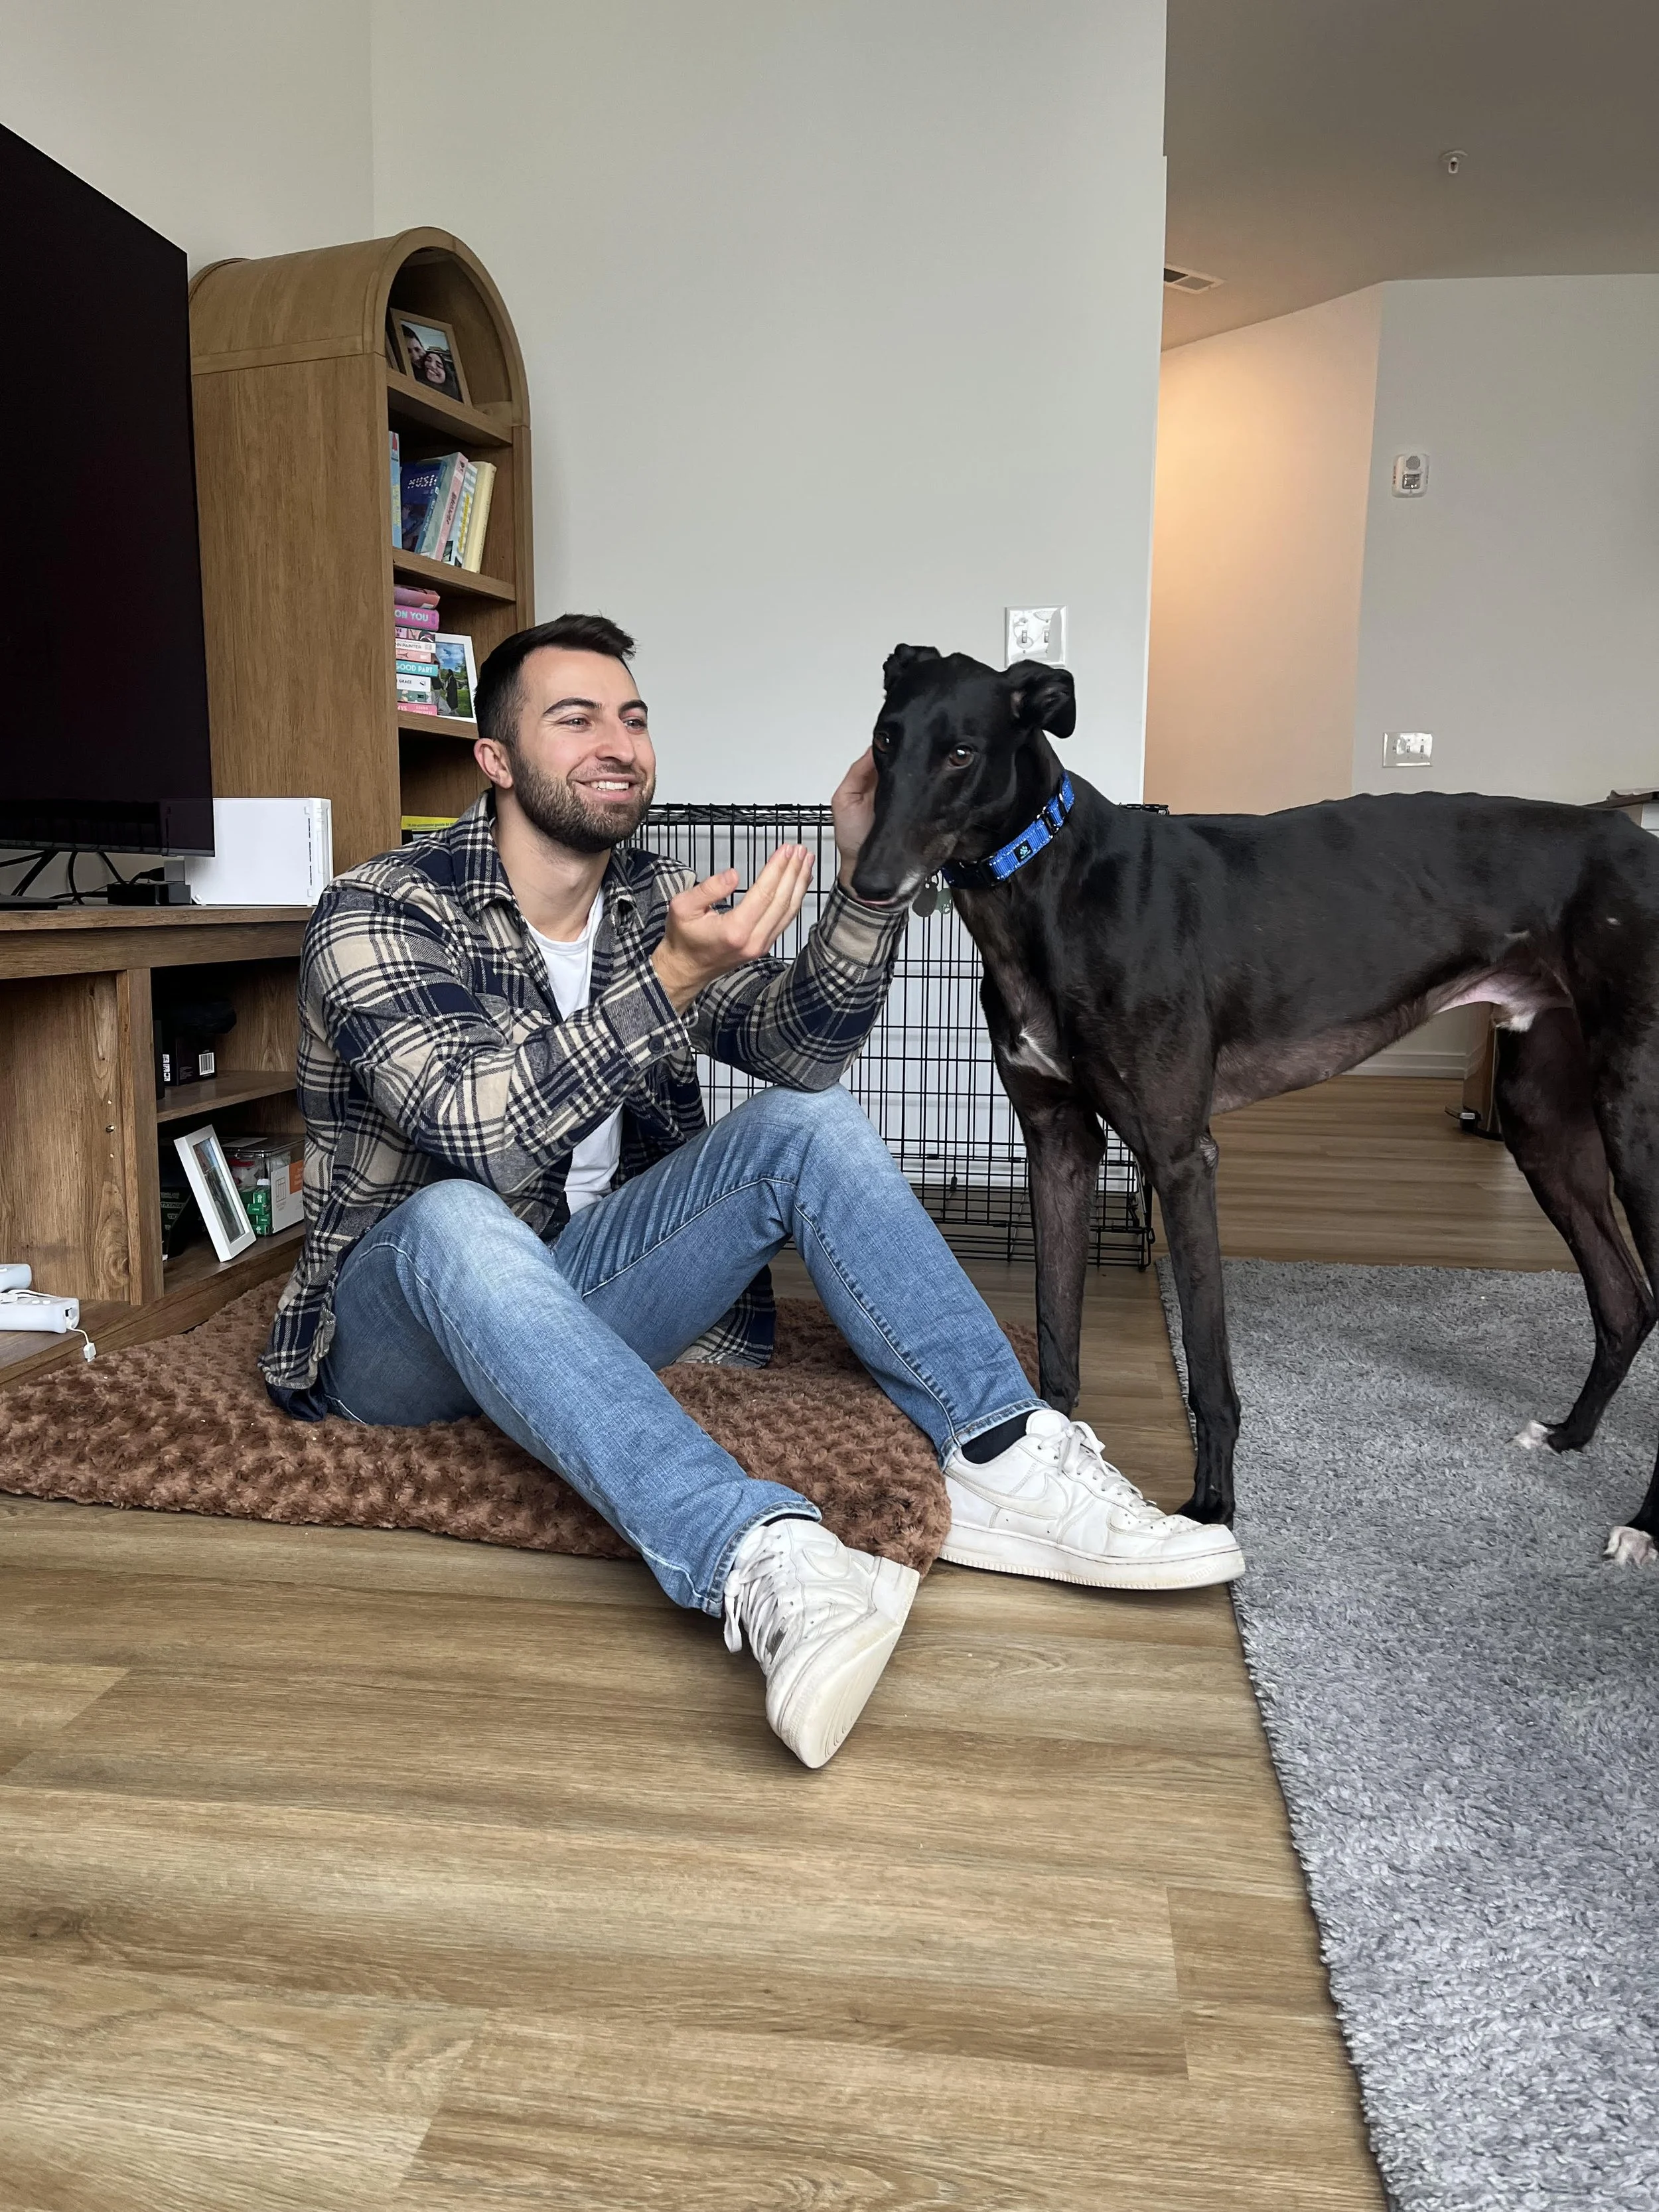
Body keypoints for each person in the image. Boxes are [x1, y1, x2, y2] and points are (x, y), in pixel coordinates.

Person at [262, 615, 1243, 1767]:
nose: (618, 744)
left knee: (802, 1124)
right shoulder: (379, 910)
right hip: (396, 1338)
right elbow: (474, 1124)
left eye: (633, 719)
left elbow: (802, 1050)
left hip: (585, 1298)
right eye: (575, 721)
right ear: (496, 760)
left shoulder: (648, 898)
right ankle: (764, 1556)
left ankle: (1004, 1458)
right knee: (454, 1217)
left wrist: (866, 887)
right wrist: (672, 982)